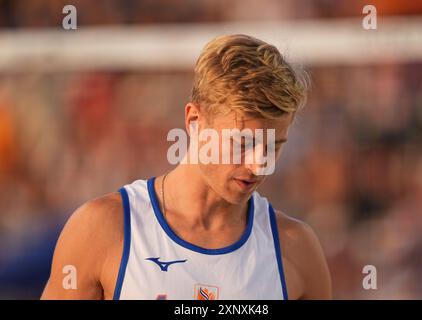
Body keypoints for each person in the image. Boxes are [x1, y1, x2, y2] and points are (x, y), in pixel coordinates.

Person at [41, 34, 331, 300]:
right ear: (194, 120)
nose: (258, 165)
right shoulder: (103, 229)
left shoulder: (296, 250)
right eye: (243, 144)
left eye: (273, 146)